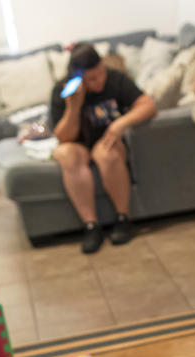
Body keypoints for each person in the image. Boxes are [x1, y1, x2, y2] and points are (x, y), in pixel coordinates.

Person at [49, 44, 158, 254]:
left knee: (107, 153)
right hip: (78, 145)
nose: (99, 82)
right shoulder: (63, 90)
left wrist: (120, 123)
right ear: (78, 78)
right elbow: (63, 138)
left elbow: (148, 105)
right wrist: (74, 106)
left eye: (101, 74)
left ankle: (122, 219)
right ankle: (91, 226)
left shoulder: (115, 79)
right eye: (92, 79)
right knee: (65, 154)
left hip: (107, 141)